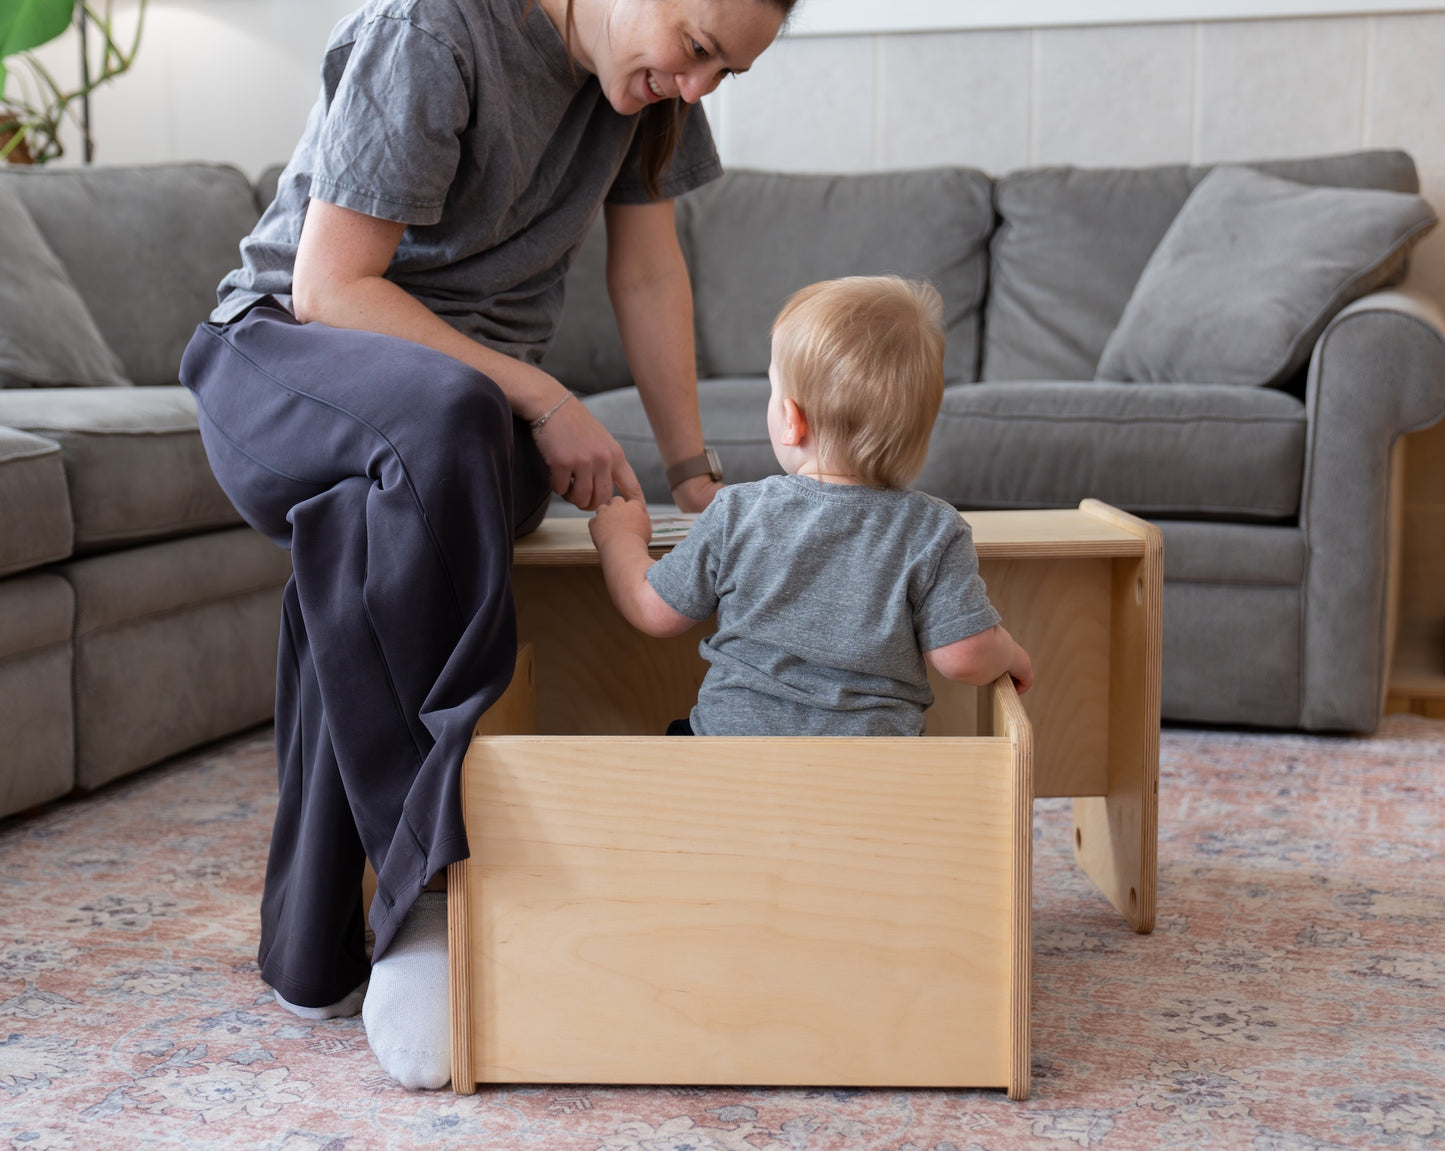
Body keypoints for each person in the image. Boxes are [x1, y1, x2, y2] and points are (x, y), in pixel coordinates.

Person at [179, 0, 797, 1090]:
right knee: (447, 427)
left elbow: (648, 273)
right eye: (697, 49)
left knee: (382, 512)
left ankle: (312, 940)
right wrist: (541, 392)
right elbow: (329, 288)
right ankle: (427, 894)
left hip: (457, 435)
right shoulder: (434, 31)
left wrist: (697, 478)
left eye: (725, 75)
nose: (698, 87)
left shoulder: (644, 87)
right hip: (280, 357)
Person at [589, 275, 1034, 736]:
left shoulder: (738, 511)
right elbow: (963, 655)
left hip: (732, 765)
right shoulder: (934, 528)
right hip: (872, 775)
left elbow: (654, 610)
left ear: (792, 421)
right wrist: (1013, 654)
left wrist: (618, 538)